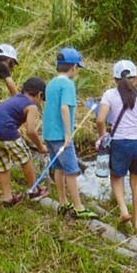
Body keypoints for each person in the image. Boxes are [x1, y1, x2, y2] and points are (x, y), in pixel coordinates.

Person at [95, 60, 137, 232]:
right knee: (136, 182)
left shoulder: (109, 95)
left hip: (119, 142)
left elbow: (100, 119)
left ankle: (124, 211)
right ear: (136, 79)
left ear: (115, 79)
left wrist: (102, 136)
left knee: (117, 177)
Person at [43, 47, 97, 220]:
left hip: (49, 133)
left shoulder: (51, 83)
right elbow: (64, 108)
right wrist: (68, 133)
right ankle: (78, 207)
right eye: (77, 68)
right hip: (61, 135)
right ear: (73, 67)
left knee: (58, 168)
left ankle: (62, 201)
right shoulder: (68, 84)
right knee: (72, 171)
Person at [0, 77, 49, 206]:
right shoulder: (31, 106)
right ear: (40, 94)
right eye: (42, 99)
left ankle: (7, 198)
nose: (40, 103)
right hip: (5, 130)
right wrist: (40, 146)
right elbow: (31, 131)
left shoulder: (15, 99)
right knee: (25, 158)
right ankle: (34, 191)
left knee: (3, 163)